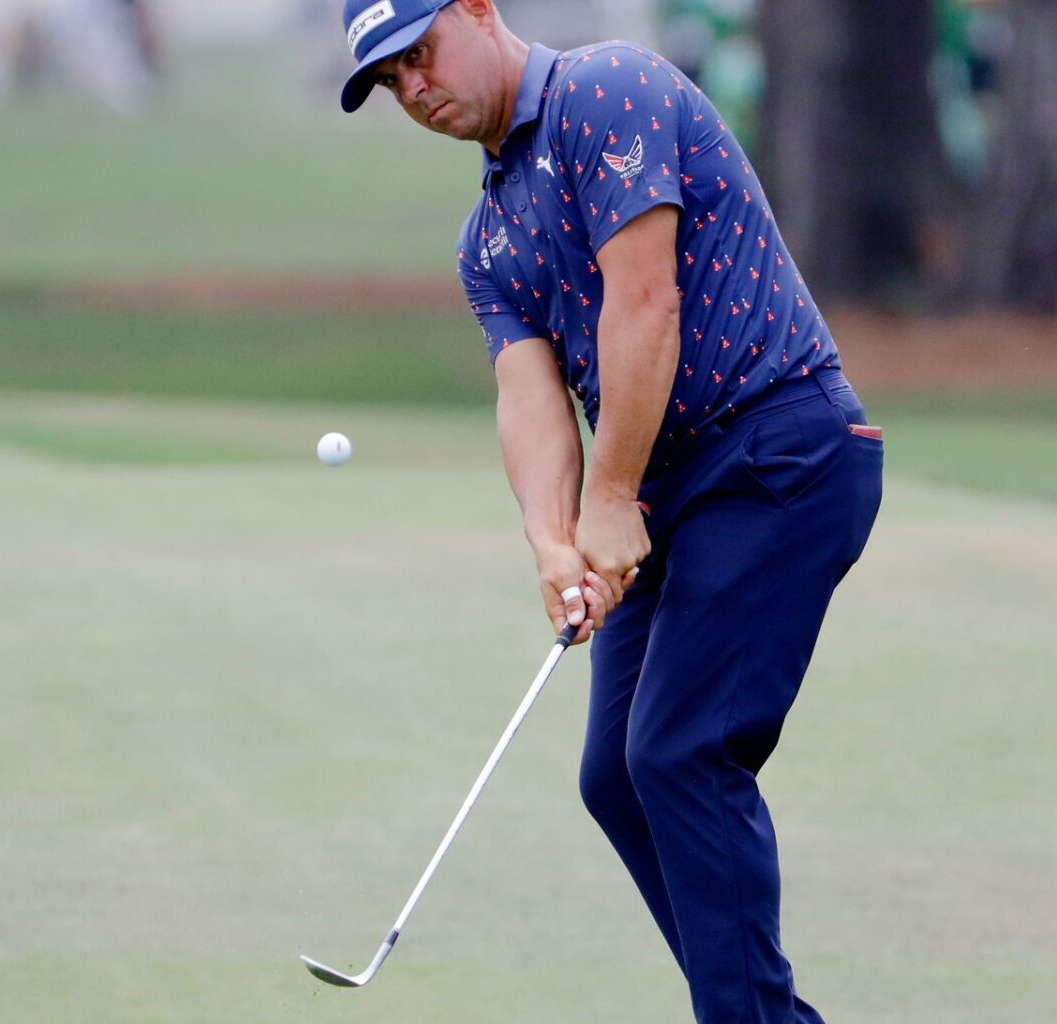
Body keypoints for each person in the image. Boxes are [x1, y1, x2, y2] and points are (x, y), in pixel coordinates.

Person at [337, 1, 882, 1020]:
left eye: (421, 53)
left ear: (478, 10)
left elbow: (646, 303)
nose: (414, 87)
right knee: (619, 777)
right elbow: (529, 395)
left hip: (778, 449)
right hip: (675, 486)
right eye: (390, 80)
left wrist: (612, 495)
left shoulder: (607, 91)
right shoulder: (486, 239)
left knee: (678, 751)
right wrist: (553, 540)